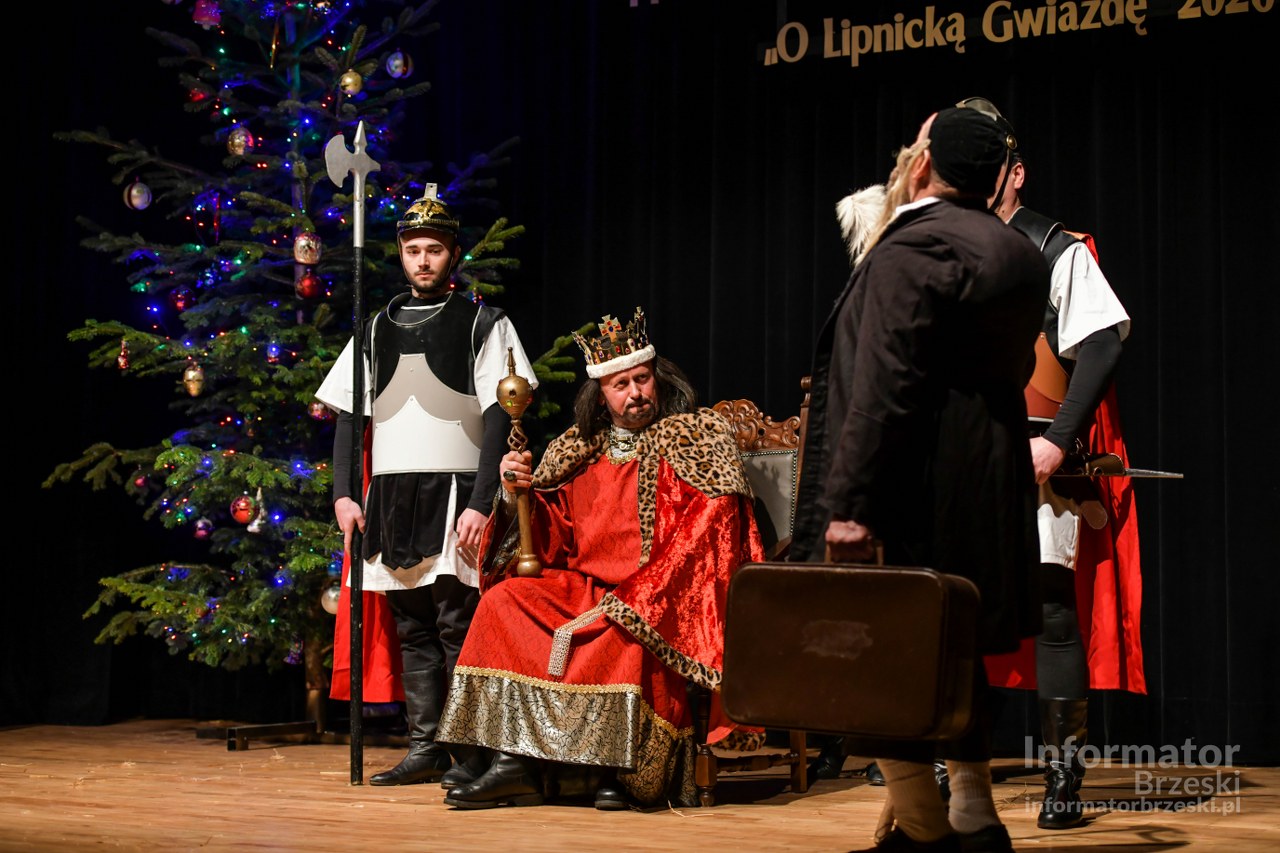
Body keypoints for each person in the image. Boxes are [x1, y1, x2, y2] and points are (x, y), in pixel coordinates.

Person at [791, 107, 1048, 852]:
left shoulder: (914, 248)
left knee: (877, 661)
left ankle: (927, 830)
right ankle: (973, 816)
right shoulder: (1017, 252)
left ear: (925, 164)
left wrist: (849, 505)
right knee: (955, 658)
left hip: (911, 488)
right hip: (985, 482)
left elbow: (883, 385)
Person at [435, 307, 765, 810]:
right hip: (583, 590)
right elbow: (551, 540)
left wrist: (642, 595)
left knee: (625, 630)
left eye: (642, 379)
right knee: (504, 602)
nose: (635, 393)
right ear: (601, 393)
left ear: (658, 378)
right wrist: (518, 494)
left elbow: (711, 533)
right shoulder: (578, 450)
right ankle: (514, 765)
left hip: (657, 597)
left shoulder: (698, 439)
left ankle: (620, 771)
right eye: (620, 384)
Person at [959, 97, 1144, 830]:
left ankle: (1064, 775)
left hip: (1036, 458)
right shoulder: (944, 248)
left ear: (1015, 172)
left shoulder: (1056, 250)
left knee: (1052, 606)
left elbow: (1100, 343)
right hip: (963, 461)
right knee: (957, 610)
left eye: (989, 162)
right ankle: (954, 768)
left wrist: (1059, 441)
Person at [314, 185, 538, 786]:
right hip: (390, 497)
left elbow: (500, 417)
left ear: (453, 254)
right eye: (413, 249)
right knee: (411, 626)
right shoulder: (374, 327)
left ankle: (469, 751)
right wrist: (343, 494)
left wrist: (481, 501)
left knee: (455, 622)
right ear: (401, 254)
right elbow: (350, 416)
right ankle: (426, 746)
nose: (423, 260)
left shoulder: (483, 323)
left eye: (434, 249)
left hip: (454, 492)